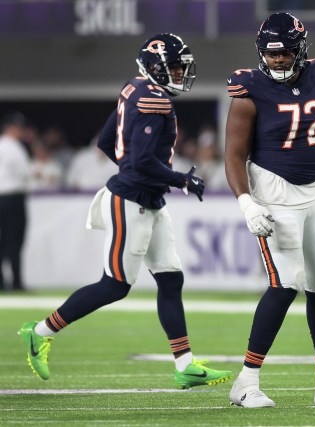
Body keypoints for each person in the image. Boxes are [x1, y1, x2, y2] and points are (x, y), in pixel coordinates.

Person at [18, 33, 232, 389]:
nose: (180, 74)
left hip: (148, 200)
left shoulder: (133, 89)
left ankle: (185, 364)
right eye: (174, 67)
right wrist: (181, 179)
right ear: (155, 68)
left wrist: (138, 169)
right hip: (131, 202)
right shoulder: (153, 100)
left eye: (181, 67)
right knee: (115, 285)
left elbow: (107, 142)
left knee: (170, 277)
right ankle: (39, 332)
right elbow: (144, 160)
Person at [224, 12, 315, 408]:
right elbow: (234, 155)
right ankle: (246, 381)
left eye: (285, 54)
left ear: (301, 50)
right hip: (273, 193)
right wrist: (246, 202)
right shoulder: (249, 88)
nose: (277, 61)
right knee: (285, 283)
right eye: (271, 55)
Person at [0, 112, 31, 291]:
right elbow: (23, 172)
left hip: (2, 196)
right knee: (15, 240)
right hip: (12, 197)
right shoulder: (13, 147)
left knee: (3, 240)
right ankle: (16, 282)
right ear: (12, 128)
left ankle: (3, 281)